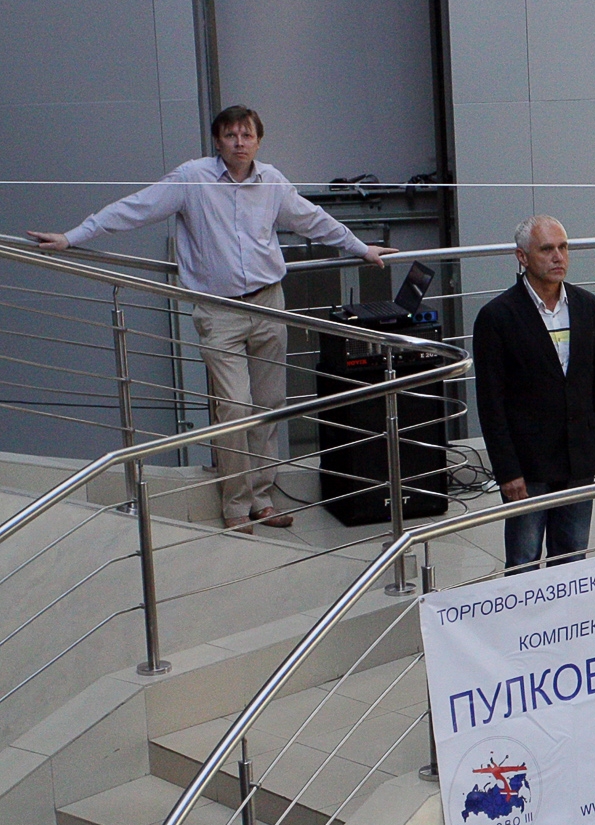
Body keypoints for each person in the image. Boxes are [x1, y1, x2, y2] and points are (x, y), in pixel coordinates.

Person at [29, 106, 388, 532]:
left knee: (270, 405)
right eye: (230, 135)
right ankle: (235, 505)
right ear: (217, 141)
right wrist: (72, 237)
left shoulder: (272, 181)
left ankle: (262, 498)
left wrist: (361, 248)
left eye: (247, 135)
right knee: (234, 407)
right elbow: (134, 208)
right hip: (219, 311)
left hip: (269, 303)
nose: (239, 142)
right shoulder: (192, 178)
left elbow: (313, 220)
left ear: (258, 140)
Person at [472, 216, 595, 572]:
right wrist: (507, 470)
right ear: (522, 257)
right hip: (529, 464)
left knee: (572, 556)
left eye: (563, 247)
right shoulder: (497, 317)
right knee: (523, 559)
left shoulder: (588, 306)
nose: (558, 257)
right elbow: (491, 404)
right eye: (547, 249)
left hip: (579, 457)